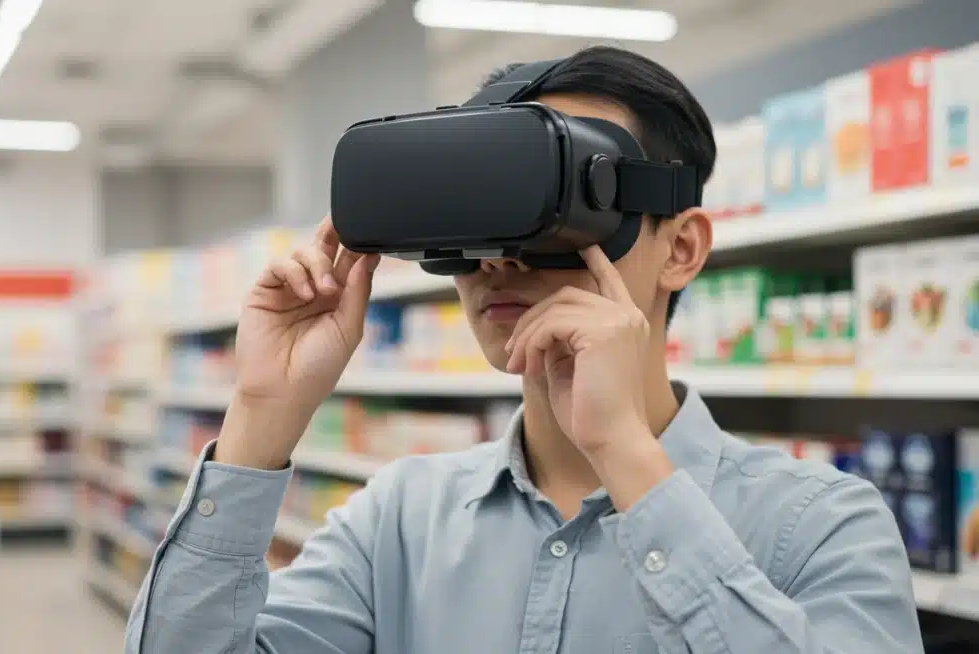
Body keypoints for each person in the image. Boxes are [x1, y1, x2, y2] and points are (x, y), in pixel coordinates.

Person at [126, 46, 921, 654]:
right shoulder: (398, 521)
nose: (499, 261)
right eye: (473, 228)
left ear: (680, 249)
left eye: (555, 219)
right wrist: (262, 415)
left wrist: (625, 456)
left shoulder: (820, 524)